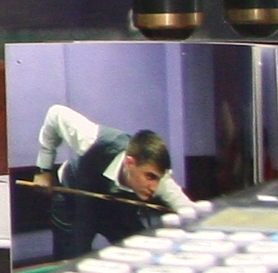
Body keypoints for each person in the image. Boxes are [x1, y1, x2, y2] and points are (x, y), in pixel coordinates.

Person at [35, 103, 191, 256]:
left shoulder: (160, 180)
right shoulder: (90, 138)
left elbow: (190, 210)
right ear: (129, 163)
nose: (154, 187)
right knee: (74, 259)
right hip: (73, 197)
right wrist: (44, 169)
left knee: (140, 251)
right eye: (149, 177)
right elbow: (55, 113)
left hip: (113, 206)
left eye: (158, 179)